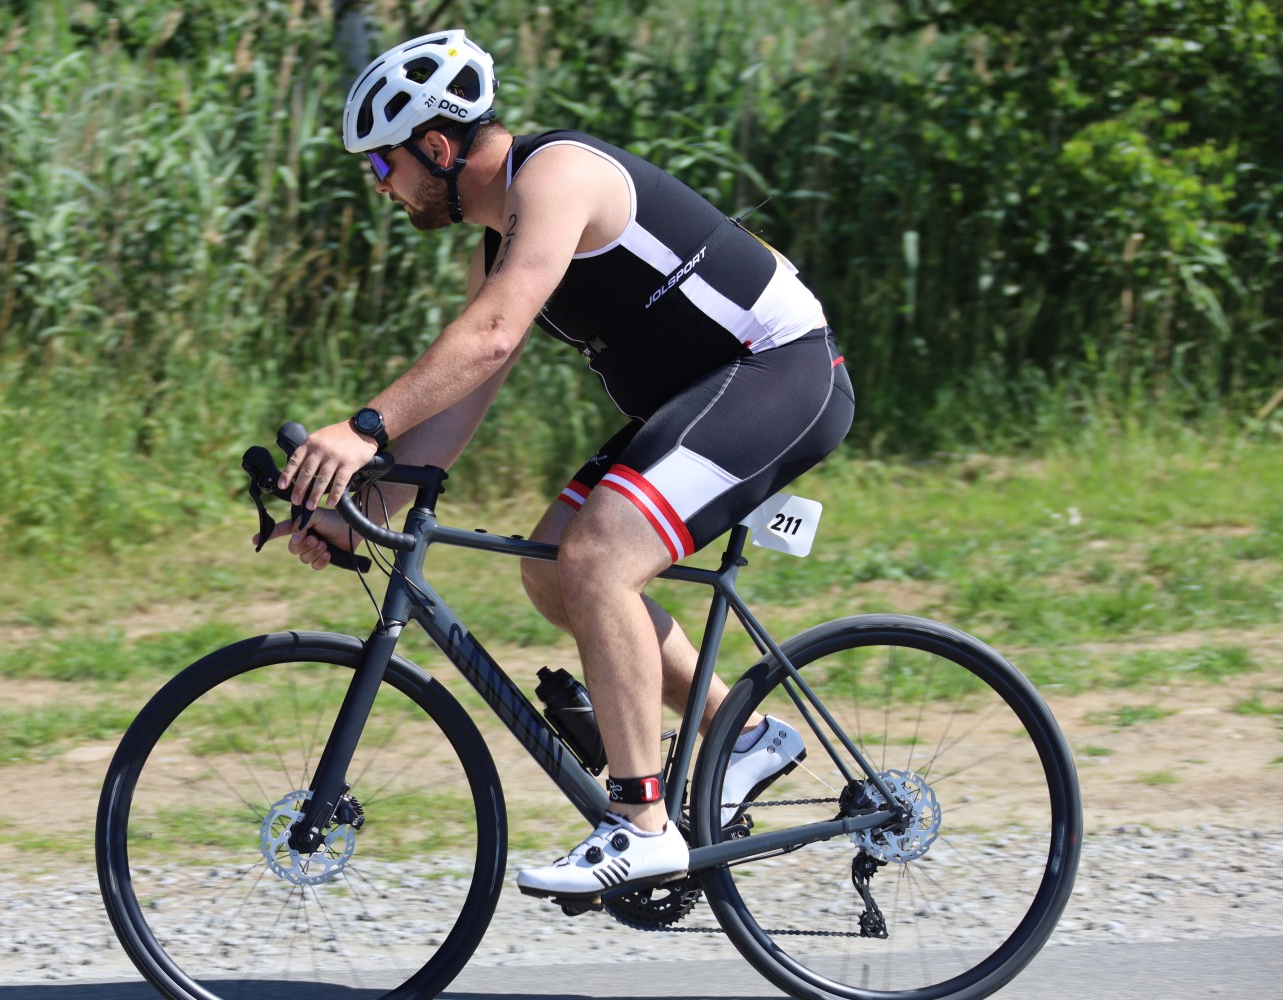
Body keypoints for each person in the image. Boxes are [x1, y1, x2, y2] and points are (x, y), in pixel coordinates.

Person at [261, 29, 855, 899]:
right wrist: (367, 506)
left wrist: (362, 429)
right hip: (704, 395)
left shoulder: (558, 175)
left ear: (437, 147)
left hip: (781, 370)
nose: (381, 187)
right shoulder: (496, 243)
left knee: (599, 559)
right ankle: (746, 734)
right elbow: (466, 392)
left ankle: (642, 827)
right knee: (552, 569)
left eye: (383, 165)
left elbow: (493, 335)